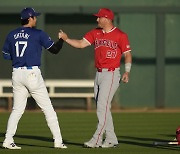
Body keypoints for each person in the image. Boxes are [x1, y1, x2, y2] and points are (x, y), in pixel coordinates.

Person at [59, 8, 132, 148]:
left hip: (111, 74)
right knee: (103, 108)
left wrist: (127, 72)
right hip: (98, 74)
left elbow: (127, 54)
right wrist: (66, 39)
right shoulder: (95, 32)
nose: (97, 20)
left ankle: (97, 139)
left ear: (107, 19)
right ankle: (111, 138)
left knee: (101, 107)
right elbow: (81, 44)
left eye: (99, 17)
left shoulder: (120, 35)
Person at [1, 7, 67, 149]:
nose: (36, 19)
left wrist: (19, 57)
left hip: (17, 73)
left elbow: (5, 55)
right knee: (48, 109)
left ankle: (7, 140)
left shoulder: (11, 34)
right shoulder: (38, 34)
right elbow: (54, 50)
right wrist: (62, 40)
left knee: (17, 110)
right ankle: (58, 141)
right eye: (35, 17)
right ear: (30, 19)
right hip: (32, 74)